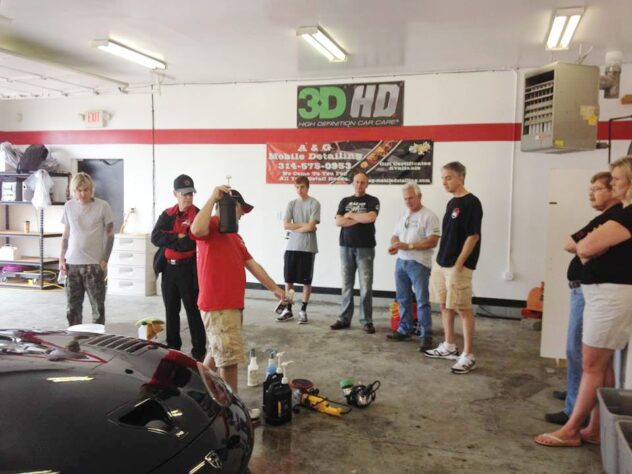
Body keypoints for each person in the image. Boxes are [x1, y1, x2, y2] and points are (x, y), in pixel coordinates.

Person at [535, 156, 632, 447]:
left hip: (610, 297)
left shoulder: (626, 215)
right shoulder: (620, 216)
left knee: (590, 364)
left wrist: (589, 254)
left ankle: (572, 429)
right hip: (603, 294)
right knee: (600, 365)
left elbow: (585, 247)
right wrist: (589, 252)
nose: (613, 184)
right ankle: (594, 427)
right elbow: (574, 244)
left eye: (616, 180)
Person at [190, 185, 284, 393]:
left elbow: (252, 264)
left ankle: (197, 392)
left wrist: (275, 289)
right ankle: (232, 408)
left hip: (229, 307)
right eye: (241, 209)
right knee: (228, 362)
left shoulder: (234, 236)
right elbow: (195, 230)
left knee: (216, 353)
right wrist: (213, 198)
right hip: (219, 306)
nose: (242, 215)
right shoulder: (212, 226)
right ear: (230, 206)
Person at [545, 172, 621, 425]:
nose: (591, 193)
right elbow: (573, 244)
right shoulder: (604, 218)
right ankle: (576, 393)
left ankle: (575, 408)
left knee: (579, 350)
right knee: (582, 352)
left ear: (614, 190)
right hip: (585, 289)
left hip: (594, 291)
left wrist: (585, 247)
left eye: (597, 188)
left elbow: (573, 245)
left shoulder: (613, 218)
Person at [424, 161, 482, 374]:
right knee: (444, 305)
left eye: (448, 178)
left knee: (463, 308)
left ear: (461, 177)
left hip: (459, 266)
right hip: (442, 262)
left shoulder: (472, 202)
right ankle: (449, 345)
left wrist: (459, 262)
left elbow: (473, 236)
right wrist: (440, 261)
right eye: (442, 178)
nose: (444, 182)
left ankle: (468, 354)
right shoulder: (451, 203)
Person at [151, 174, 206, 362]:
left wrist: (172, 240)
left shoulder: (198, 215)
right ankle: (173, 348)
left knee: (193, 311)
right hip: (169, 270)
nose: (188, 198)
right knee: (171, 310)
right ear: (175, 193)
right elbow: (155, 237)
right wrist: (178, 237)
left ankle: (199, 351)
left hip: (188, 270)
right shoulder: (167, 214)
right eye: (184, 194)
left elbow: (190, 243)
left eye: (191, 194)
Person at [387, 182, 440, 351]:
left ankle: (426, 336)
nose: (408, 201)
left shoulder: (429, 216)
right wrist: (395, 245)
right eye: (405, 199)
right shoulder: (403, 215)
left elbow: (433, 241)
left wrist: (408, 246)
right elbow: (395, 235)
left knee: (422, 301)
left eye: (411, 198)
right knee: (403, 298)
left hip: (419, 263)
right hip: (401, 262)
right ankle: (404, 330)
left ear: (419, 196)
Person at [59, 172, 114, 326]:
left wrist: (105, 259)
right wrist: (61, 259)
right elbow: (65, 235)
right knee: (72, 308)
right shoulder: (69, 206)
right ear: (73, 191)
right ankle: (75, 337)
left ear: (91, 189)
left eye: (86, 190)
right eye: (79, 190)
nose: (82, 194)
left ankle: (97, 338)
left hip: (94, 265)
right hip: (72, 264)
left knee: (98, 308)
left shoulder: (103, 206)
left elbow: (110, 235)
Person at [331, 172, 380, 334]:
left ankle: (366, 321)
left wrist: (351, 215)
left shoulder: (373, 200)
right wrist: (360, 218)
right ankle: (344, 319)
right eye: (357, 182)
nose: (359, 185)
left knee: (366, 286)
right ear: (353, 183)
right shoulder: (345, 201)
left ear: (367, 184)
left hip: (365, 248)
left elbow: (370, 218)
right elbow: (338, 221)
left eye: (363, 182)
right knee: (347, 285)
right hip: (345, 247)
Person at [277, 176, 320, 324]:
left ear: (307, 187)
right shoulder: (291, 204)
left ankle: (303, 310)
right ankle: (288, 309)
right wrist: (305, 226)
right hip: (292, 246)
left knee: (306, 281)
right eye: (297, 187)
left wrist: (297, 227)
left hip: (307, 247)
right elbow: (286, 225)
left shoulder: (314, 203)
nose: (299, 190)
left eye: (302, 187)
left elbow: (311, 226)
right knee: (289, 280)